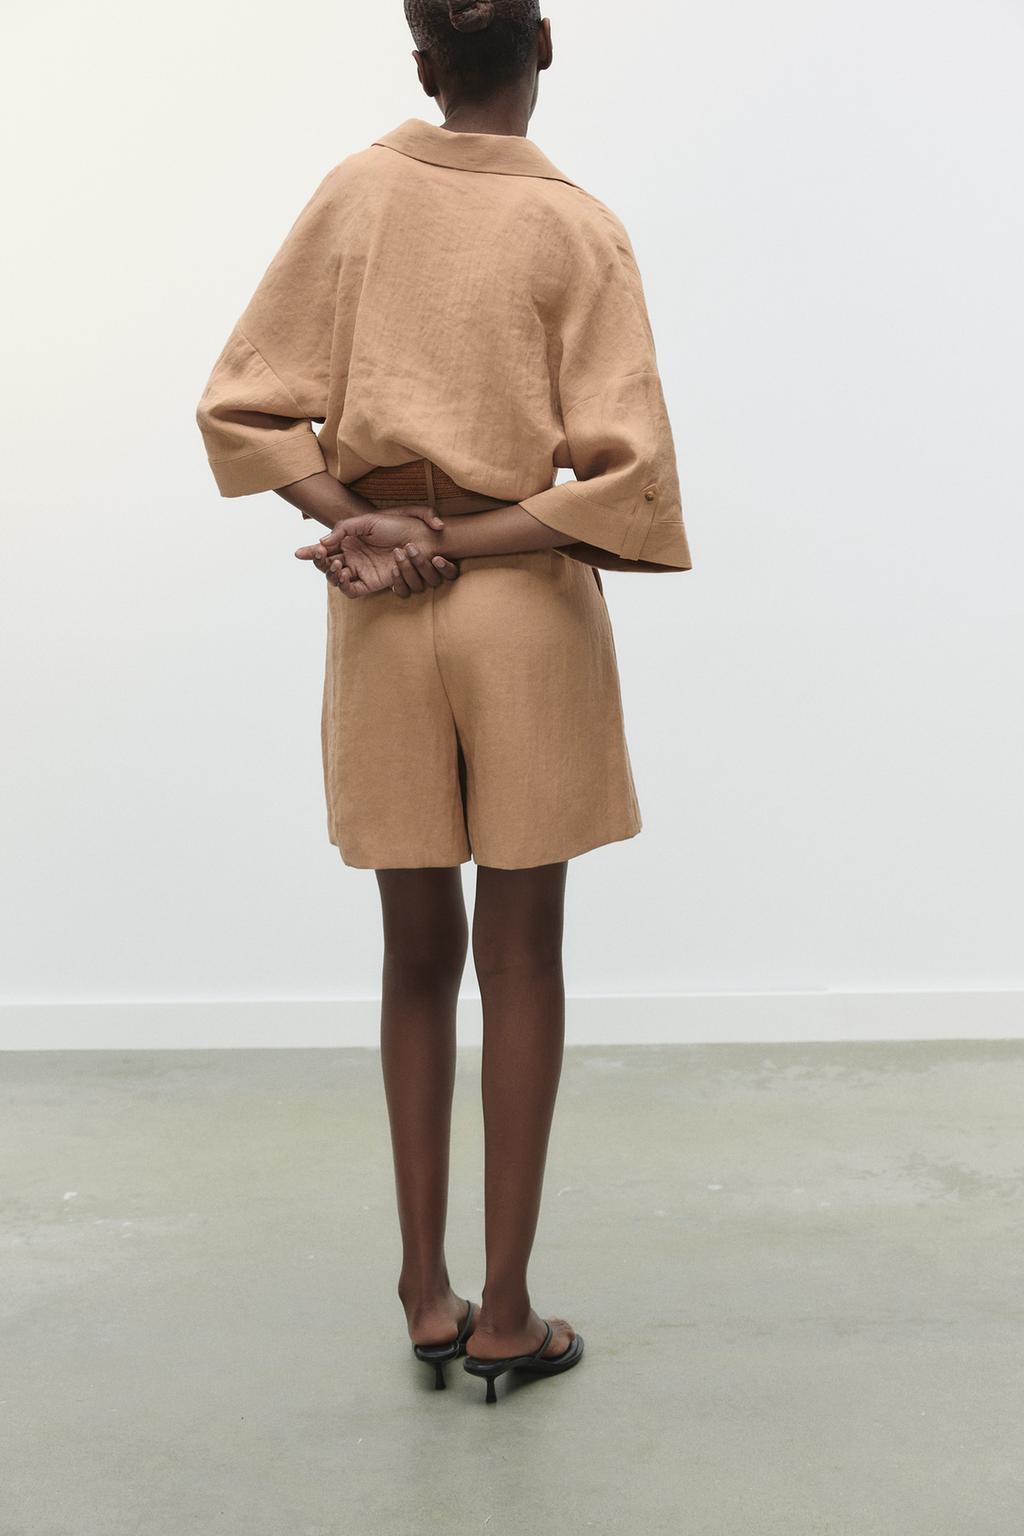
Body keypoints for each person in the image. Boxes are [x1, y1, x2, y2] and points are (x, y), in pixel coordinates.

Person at [195, 0, 692, 1405]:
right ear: (547, 45)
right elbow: (628, 478)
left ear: (422, 63)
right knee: (520, 958)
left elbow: (242, 405)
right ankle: (507, 1313)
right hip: (520, 603)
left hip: (380, 602)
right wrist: (462, 541)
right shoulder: (579, 228)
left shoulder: (355, 193)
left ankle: (424, 1290)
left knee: (416, 952)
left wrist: (361, 522)